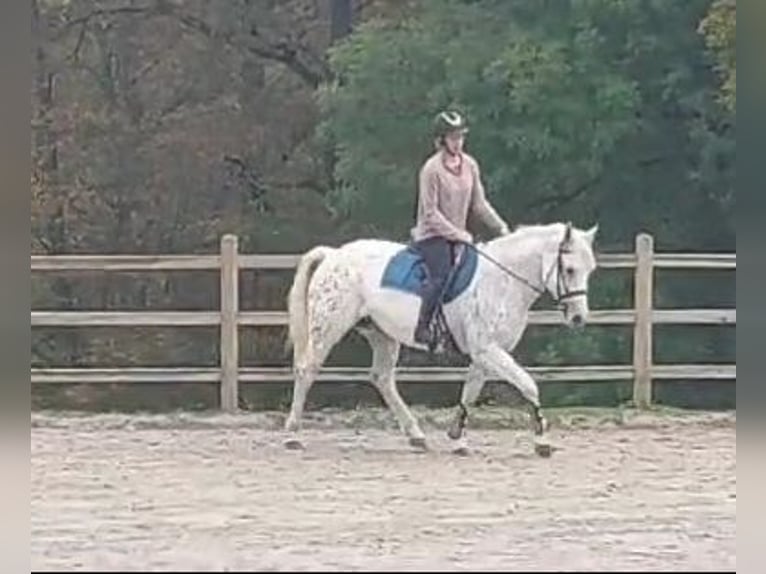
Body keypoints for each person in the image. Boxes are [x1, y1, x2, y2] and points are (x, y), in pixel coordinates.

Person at [410, 110, 512, 348]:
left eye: (461, 136)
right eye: (453, 137)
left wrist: (501, 227)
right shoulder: (431, 169)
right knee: (442, 274)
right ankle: (423, 327)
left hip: (459, 237)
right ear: (441, 140)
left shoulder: (470, 165)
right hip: (432, 236)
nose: (458, 141)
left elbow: (479, 203)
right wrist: (459, 235)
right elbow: (430, 213)